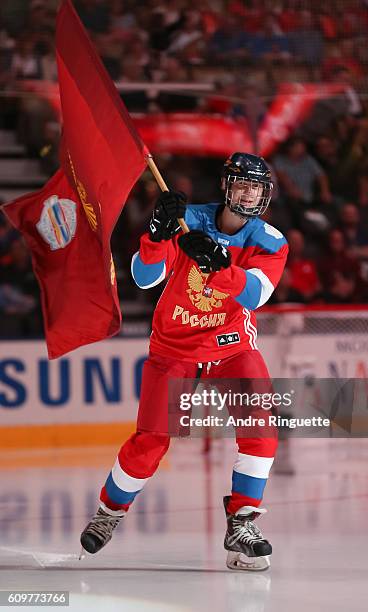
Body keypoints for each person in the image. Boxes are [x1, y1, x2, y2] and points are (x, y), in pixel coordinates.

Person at [80, 152, 289, 571]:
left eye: (257, 187)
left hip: (232, 348)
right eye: (242, 184)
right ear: (227, 187)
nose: (249, 194)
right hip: (174, 350)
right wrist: (157, 234)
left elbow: (255, 295)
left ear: (265, 195)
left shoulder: (270, 240)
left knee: (262, 432)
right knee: (150, 443)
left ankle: (242, 522)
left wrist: (216, 264)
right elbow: (143, 277)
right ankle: (109, 511)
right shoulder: (186, 220)